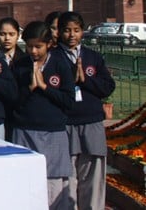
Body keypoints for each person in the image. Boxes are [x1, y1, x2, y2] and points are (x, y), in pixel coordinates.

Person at [53, 11, 115, 210]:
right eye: (67, 30)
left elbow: (107, 86)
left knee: (93, 177)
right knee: (67, 178)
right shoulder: (53, 58)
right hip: (65, 124)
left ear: (82, 32)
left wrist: (85, 80)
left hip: (91, 123)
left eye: (76, 30)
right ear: (59, 32)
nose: (72, 35)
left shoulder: (92, 57)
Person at [13, 21, 75, 210]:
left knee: (53, 184)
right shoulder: (20, 65)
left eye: (38, 46)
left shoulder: (61, 64)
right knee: (26, 181)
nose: (33, 51)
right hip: (25, 131)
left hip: (52, 132)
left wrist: (45, 87)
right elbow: (13, 100)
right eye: (29, 46)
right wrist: (30, 88)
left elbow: (68, 101)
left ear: (49, 44)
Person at [0, 16, 26, 140]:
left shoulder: (25, 60)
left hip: (19, 115)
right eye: (2, 34)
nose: (7, 38)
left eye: (11, 34)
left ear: (18, 35)